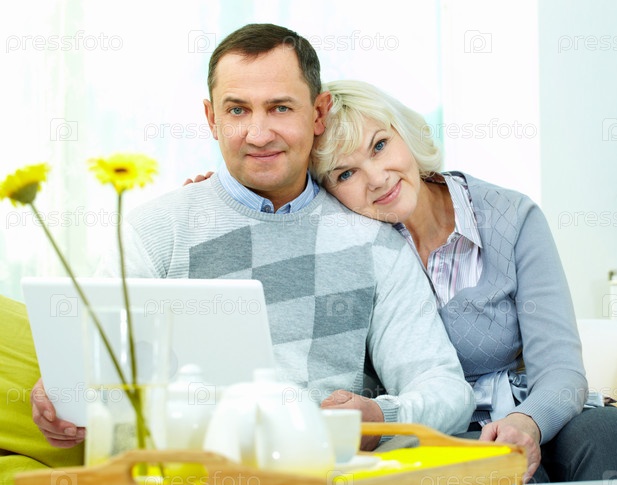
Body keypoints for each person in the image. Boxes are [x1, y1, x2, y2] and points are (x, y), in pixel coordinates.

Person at [30, 24, 475, 452]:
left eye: (280, 108)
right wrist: (62, 399)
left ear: (318, 114)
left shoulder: (377, 245)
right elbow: (90, 371)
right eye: (237, 110)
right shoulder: (154, 231)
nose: (258, 135)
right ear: (212, 118)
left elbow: (445, 390)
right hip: (181, 483)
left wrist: (381, 417)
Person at [306, 80, 617, 483]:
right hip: (436, 432)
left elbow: (560, 368)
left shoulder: (511, 216)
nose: (376, 178)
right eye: (345, 173)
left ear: (404, 133)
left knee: (613, 437)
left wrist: (527, 423)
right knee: (502, 478)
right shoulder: (351, 251)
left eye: (380, 146)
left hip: (535, 411)